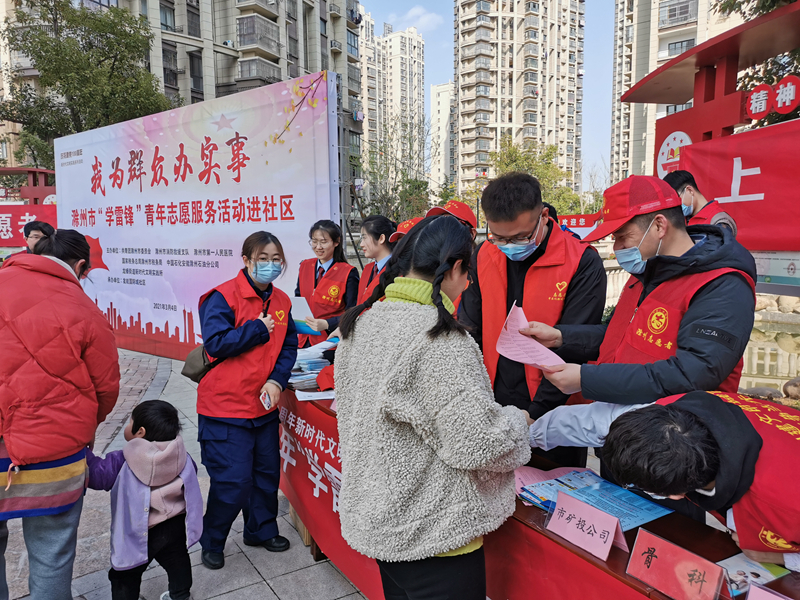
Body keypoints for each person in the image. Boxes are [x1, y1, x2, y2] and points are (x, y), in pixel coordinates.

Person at [335, 215, 532, 600]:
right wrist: (518, 422)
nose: (469, 283)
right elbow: (476, 443)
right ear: (455, 267)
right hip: (434, 535)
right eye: (468, 272)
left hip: (383, 521)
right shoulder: (439, 339)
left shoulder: (361, 325)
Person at [526, 175, 756, 405]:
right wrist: (561, 337)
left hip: (676, 423)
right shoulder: (646, 271)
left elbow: (694, 373)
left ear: (659, 226)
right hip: (622, 411)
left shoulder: (722, 284)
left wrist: (587, 379)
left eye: (623, 237)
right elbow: (621, 334)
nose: (617, 248)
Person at [528, 390, 800, 572]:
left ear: (676, 496)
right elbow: (591, 420)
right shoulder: (675, 414)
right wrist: (527, 434)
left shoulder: (785, 505)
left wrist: (780, 557)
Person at [0, 229, 120, 599]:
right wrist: (82, 430)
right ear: (81, 266)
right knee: (52, 553)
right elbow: (105, 388)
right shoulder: (84, 308)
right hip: (56, 453)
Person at [459, 172, 607, 467]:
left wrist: (534, 414)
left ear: (544, 216)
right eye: (499, 237)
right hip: (492, 401)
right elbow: (470, 328)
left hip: (556, 411)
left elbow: (574, 345)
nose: (509, 245)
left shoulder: (581, 262)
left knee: (552, 487)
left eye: (520, 237)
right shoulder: (484, 254)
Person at [196, 231, 298, 570]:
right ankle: (213, 540)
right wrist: (257, 329)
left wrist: (276, 379)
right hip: (225, 408)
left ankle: (260, 530)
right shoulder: (222, 297)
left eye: (276, 260)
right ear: (246, 260)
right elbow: (215, 343)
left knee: (265, 476)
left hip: (263, 407)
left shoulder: (281, 301)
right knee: (233, 481)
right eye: (263, 259)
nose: (270, 265)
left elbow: (288, 346)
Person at [86, 400, 203, 600]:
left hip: (138, 530)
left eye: (129, 422)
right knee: (177, 561)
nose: (127, 425)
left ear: (140, 432)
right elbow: (192, 473)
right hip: (174, 525)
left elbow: (95, 475)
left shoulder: (121, 461)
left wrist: (82, 450)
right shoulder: (182, 456)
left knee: (126, 574)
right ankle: (181, 595)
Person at [296, 220, 359, 346]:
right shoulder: (305, 266)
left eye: (323, 242)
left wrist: (327, 324)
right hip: (304, 341)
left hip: (331, 341)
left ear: (336, 242)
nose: (318, 247)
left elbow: (353, 311)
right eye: (314, 241)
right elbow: (299, 297)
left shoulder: (348, 272)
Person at [664, 170, 737, 236]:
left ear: (689, 190)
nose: (676, 205)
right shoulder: (681, 220)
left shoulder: (718, 220)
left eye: (677, 199)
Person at [357, 215, 396, 304]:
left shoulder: (397, 270)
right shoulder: (368, 269)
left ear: (381, 238)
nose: (361, 244)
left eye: (364, 238)